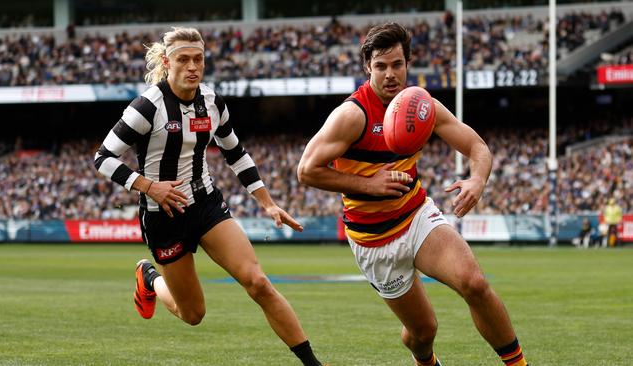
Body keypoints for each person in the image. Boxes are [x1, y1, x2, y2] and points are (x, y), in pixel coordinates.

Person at [297, 22, 528, 366]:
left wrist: (477, 180)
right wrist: (368, 184)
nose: (390, 74)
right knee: (423, 332)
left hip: (416, 216)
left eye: (397, 65)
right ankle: (426, 361)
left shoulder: (422, 105)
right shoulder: (351, 115)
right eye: (381, 66)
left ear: (408, 63)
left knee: (475, 283)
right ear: (367, 67)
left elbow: (477, 146)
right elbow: (306, 170)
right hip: (374, 241)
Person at [94, 27, 323, 366]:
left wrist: (268, 203)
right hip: (164, 217)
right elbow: (103, 157)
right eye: (183, 59)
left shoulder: (213, 102)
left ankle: (313, 364)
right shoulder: (146, 107)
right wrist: (147, 186)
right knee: (193, 314)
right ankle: (150, 278)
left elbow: (236, 154)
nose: (192, 67)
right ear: (166, 62)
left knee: (258, 282)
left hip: (206, 205)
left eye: (198, 59)